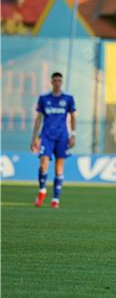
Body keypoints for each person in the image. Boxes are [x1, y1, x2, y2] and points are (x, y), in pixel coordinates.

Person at [30, 72, 76, 209]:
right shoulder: (44, 99)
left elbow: (73, 117)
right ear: (51, 82)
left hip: (62, 136)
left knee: (59, 167)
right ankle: (42, 191)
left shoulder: (68, 99)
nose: (57, 83)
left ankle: (55, 198)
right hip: (46, 136)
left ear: (61, 82)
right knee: (43, 163)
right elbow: (39, 118)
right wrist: (34, 137)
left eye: (59, 80)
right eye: (55, 80)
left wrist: (73, 134)